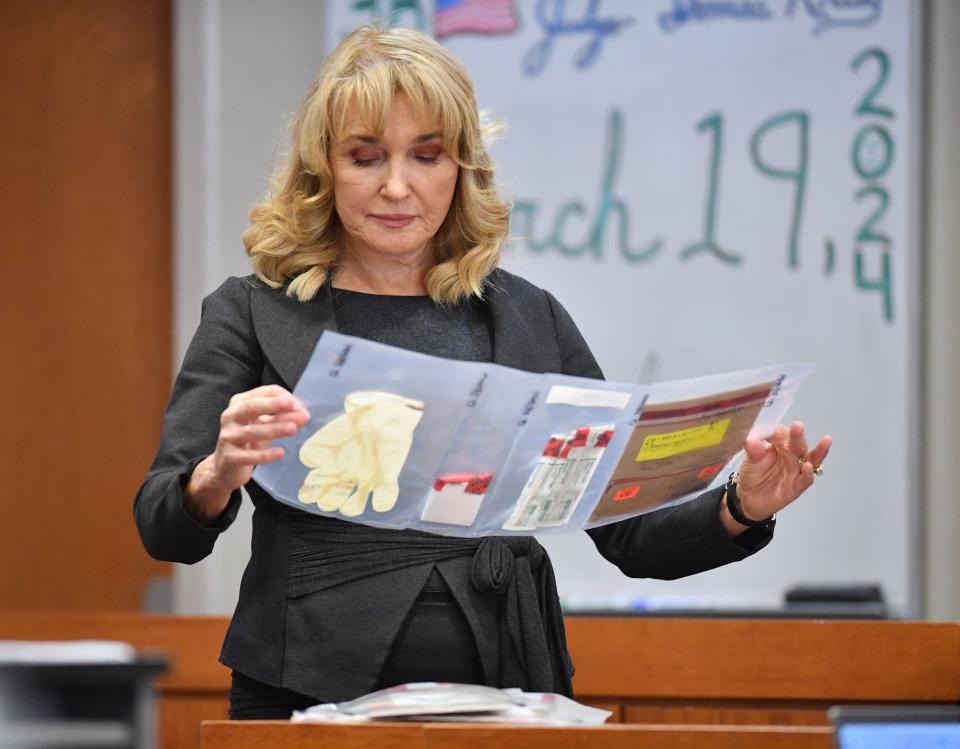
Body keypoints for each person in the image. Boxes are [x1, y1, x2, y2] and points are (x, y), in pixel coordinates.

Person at [134, 25, 831, 720]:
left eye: (426, 155)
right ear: (324, 167)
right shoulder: (250, 311)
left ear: (461, 166)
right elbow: (162, 523)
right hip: (304, 687)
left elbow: (627, 531)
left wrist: (742, 504)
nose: (397, 186)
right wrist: (215, 474)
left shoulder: (531, 317)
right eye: (366, 157)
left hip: (510, 685)